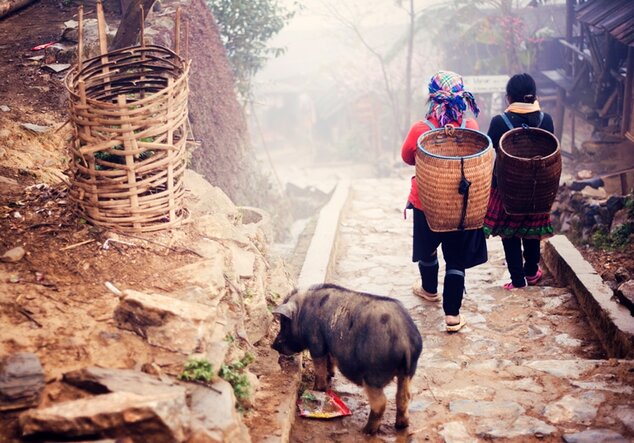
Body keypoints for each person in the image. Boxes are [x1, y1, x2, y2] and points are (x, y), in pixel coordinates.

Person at [401, 70, 488, 332]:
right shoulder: (470, 128)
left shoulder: (420, 129)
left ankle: (429, 289)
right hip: (462, 204)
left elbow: (407, 157)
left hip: (427, 202)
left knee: (428, 247)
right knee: (456, 259)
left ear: (433, 97)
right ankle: (452, 316)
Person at [483, 73, 555, 290]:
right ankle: (532, 272)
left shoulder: (499, 122)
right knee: (532, 228)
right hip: (537, 186)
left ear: (509, 97)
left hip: (507, 187)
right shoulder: (546, 120)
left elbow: (488, 150)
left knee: (509, 232)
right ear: (534, 95)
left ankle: (517, 280)